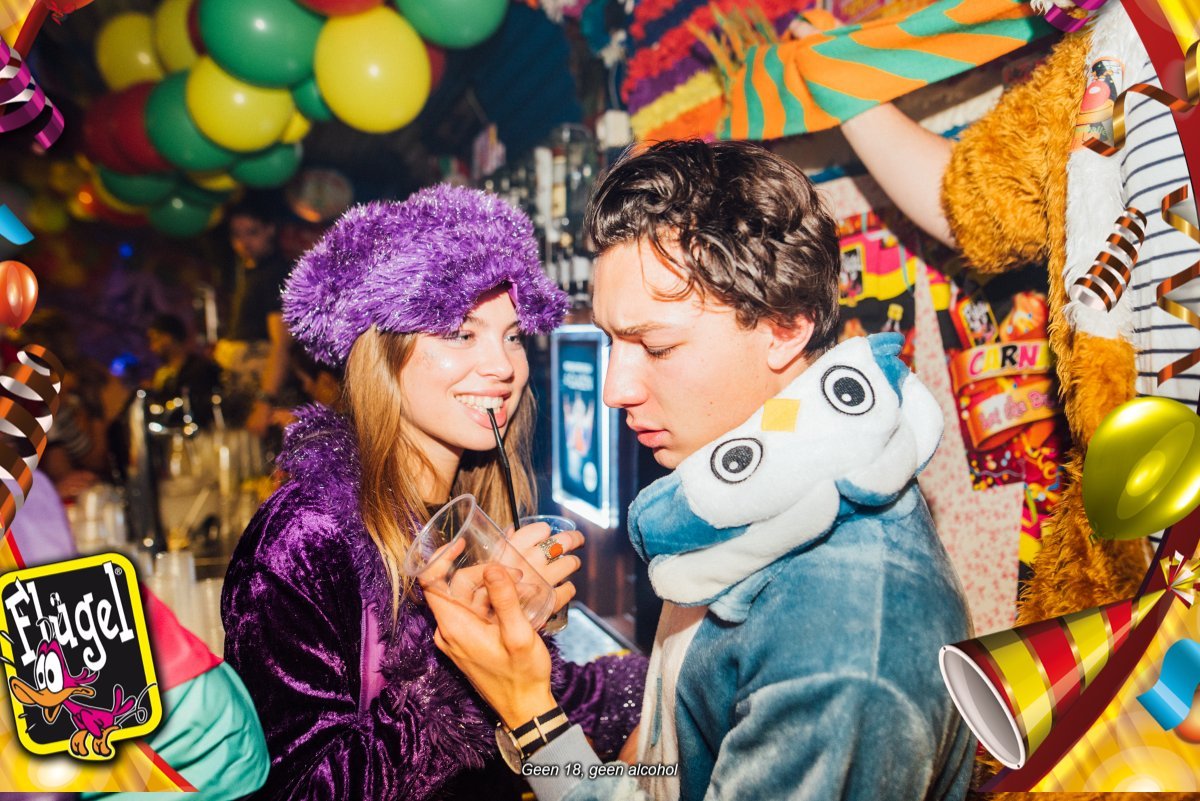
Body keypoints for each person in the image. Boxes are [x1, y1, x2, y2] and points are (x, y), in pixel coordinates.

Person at [421, 140, 974, 801]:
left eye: (656, 346)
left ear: (785, 327)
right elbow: (673, 764)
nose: (614, 389)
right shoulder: (742, 500)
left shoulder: (846, 639)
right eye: (612, 342)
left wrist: (529, 711)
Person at [220, 185, 647, 801]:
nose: (504, 367)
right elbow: (301, 788)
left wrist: (682, 675)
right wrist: (468, 671)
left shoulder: (467, 510)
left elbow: (550, 700)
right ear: (382, 356)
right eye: (461, 334)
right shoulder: (307, 535)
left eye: (513, 335)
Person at [216, 195, 293, 438]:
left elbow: (281, 344)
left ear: (270, 229)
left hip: (267, 393)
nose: (243, 242)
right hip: (244, 390)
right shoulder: (248, 272)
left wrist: (264, 402)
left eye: (252, 232)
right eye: (236, 235)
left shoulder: (276, 274)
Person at [145, 313, 222, 427]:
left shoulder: (199, 369)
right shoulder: (162, 373)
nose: (152, 347)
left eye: (155, 339)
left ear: (168, 337)